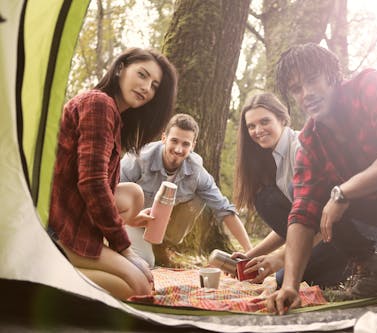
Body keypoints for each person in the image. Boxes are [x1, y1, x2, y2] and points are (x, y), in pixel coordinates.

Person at [267, 43, 377, 314]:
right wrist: (291, 286)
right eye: (296, 89)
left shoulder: (370, 86)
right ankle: (374, 268)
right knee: (308, 200)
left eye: (311, 81)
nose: (306, 94)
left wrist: (343, 192)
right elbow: (301, 214)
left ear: (331, 75)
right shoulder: (310, 141)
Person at [48, 47, 178, 300]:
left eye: (154, 86)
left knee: (132, 193)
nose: (146, 88)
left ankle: (90, 261)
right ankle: (45, 273)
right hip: (59, 224)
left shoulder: (113, 115)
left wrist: (127, 224)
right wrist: (125, 248)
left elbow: (99, 186)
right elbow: (92, 183)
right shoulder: (99, 104)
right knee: (138, 289)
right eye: (142, 74)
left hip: (75, 212)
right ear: (120, 68)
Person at [232, 92, 351, 287]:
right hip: (321, 230)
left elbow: (329, 218)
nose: (258, 130)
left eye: (264, 121)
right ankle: (361, 258)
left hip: (346, 225)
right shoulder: (276, 162)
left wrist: (281, 257)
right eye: (251, 126)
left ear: (282, 119)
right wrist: (250, 256)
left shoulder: (300, 149)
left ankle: (370, 257)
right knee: (265, 198)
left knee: (284, 276)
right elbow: (293, 222)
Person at [120, 113, 253, 268]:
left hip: (167, 227)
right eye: (174, 141)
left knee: (201, 196)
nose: (178, 149)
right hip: (132, 221)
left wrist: (250, 252)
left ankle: (164, 242)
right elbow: (110, 195)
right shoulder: (138, 159)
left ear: (193, 146)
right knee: (145, 263)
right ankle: (135, 245)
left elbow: (224, 209)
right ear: (164, 138)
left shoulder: (196, 171)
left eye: (185, 144)